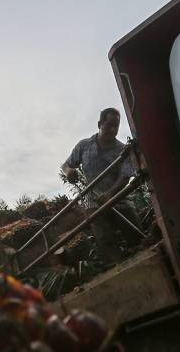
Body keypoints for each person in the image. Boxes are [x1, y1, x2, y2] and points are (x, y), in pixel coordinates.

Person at [61, 108, 144, 264]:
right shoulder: (84, 146)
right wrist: (69, 171)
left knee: (137, 237)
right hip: (93, 204)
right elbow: (66, 165)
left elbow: (125, 175)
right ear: (100, 124)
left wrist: (110, 194)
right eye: (109, 125)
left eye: (116, 126)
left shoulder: (121, 149)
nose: (113, 129)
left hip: (120, 200)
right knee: (106, 242)